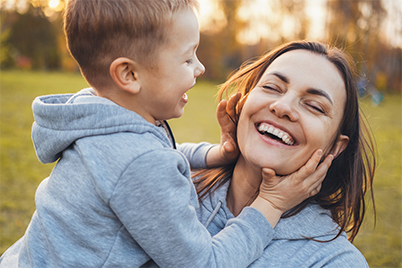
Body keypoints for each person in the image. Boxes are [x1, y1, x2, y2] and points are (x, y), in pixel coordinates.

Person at [0, 2, 332, 268]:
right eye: (187, 58)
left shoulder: (98, 113)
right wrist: (270, 204)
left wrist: (215, 155)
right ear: (129, 74)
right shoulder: (139, 164)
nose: (199, 68)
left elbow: (151, 154)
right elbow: (205, 262)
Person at [191, 40, 376, 267]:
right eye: (271, 87)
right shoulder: (171, 186)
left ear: (336, 147)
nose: (283, 106)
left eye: (314, 106)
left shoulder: (335, 261)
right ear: (244, 102)